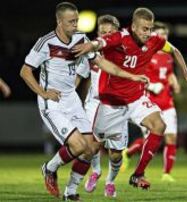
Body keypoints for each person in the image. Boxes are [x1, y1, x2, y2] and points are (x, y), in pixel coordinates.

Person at [19, 2, 148, 200]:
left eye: (77, 20)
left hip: (72, 100)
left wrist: (131, 76)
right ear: (59, 22)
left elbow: (102, 62)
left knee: (91, 148)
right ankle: (49, 168)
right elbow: (25, 71)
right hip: (53, 102)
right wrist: (42, 93)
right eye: (71, 21)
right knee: (78, 147)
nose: (76, 25)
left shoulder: (81, 38)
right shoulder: (45, 43)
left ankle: (70, 192)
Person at [72, 7, 187, 189]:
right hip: (112, 103)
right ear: (134, 27)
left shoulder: (154, 41)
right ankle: (69, 183)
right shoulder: (120, 37)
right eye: (144, 28)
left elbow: (174, 50)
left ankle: (138, 175)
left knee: (159, 125)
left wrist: (186, 73)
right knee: (93, 148)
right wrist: (90, 45)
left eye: (150, 28)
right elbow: (101, 43)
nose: (148, 33)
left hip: (135, 98)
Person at [119, 21, 181, 183]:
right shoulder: (146, 53)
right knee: (153, 139)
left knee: (172, 138)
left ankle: (167, 173)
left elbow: (168, 73)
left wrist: (174, 80)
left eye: (165, 35)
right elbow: (136, 76)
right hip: (150, 103)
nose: (163, 37)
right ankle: (129, 152)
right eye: (160, 34)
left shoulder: (168, 57)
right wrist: (153, 86)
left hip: (167, 102)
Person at [81, 14, 127, 198]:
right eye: (103, 32)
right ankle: (96, 171)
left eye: (110, 32)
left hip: (116, 106)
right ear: (98, 33)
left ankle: (110, 181)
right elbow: (81, 75)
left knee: (115, 154)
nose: (107, 36)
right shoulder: (91, 51)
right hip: (94, 103)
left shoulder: (125, 53)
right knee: (90, 144)